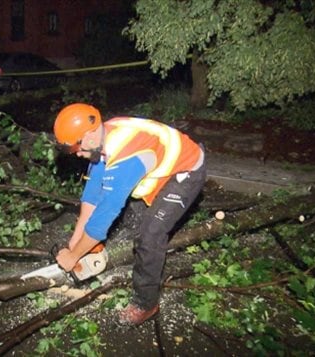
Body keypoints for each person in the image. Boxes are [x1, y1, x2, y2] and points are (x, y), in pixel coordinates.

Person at [53, 103, 206, 326]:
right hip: (159, 167)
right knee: (126, 214)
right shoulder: (103, 141)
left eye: (75, 148)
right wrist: (75, 242)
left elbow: (104, 215)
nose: (76, 154)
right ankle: (97, 244)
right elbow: (92, 197)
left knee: (150, 237)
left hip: (187, 171)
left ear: (90, 135)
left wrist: (74, 256)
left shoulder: (126, 156)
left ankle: (146, 304)